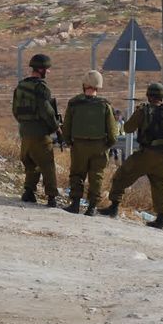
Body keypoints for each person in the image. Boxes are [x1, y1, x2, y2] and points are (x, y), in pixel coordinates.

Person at [99, 82, 163, 229]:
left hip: (145, 155)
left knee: (121, 176)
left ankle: (113, 207)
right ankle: (160, 219)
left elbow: (128, 128)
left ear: (148, 96)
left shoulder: (143, 111)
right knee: (160, 186)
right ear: (162, 97)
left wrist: (137, 112)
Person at [61, 71, 118, 216]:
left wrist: (69, 141)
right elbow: (112, 130)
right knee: (96, 176)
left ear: (84, 84)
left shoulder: (74, 103)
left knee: (77, 174)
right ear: (99, 86)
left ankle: (75, 204)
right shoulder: (105, 105)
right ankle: (91, 207)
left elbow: (66, 126)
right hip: (99, 146)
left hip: (79, 145)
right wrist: (108, 144)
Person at [12, 53, 61, 207]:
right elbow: (47, 111)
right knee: (47, 164)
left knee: (31, 163)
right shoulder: (41, 88)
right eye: (47, 69)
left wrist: (25, 124)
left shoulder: (21, 85)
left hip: (25, 132)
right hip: (40, 133)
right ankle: (52, 198)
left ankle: (28, 192)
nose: (49, 72)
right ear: (41, 70)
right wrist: (57, 128)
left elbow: (15, 110)